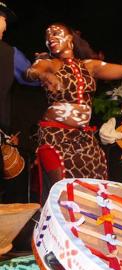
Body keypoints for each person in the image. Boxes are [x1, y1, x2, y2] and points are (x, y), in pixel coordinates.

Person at [25, 21, 122, 203]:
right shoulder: (49, 63)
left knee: (90, 194)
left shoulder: (89, 66)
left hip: (84, 140)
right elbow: (32, 71)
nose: (50, 38)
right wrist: (45, 75)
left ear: (70, 40)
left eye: (56, 34)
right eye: (47, 36)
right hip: (55, 137)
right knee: (62, 192)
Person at [0, 2, 38, 202]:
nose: (5, 26)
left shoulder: (8, 53)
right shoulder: (8, 54)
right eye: (3, 20)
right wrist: (43, 67)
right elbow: (31, 78)